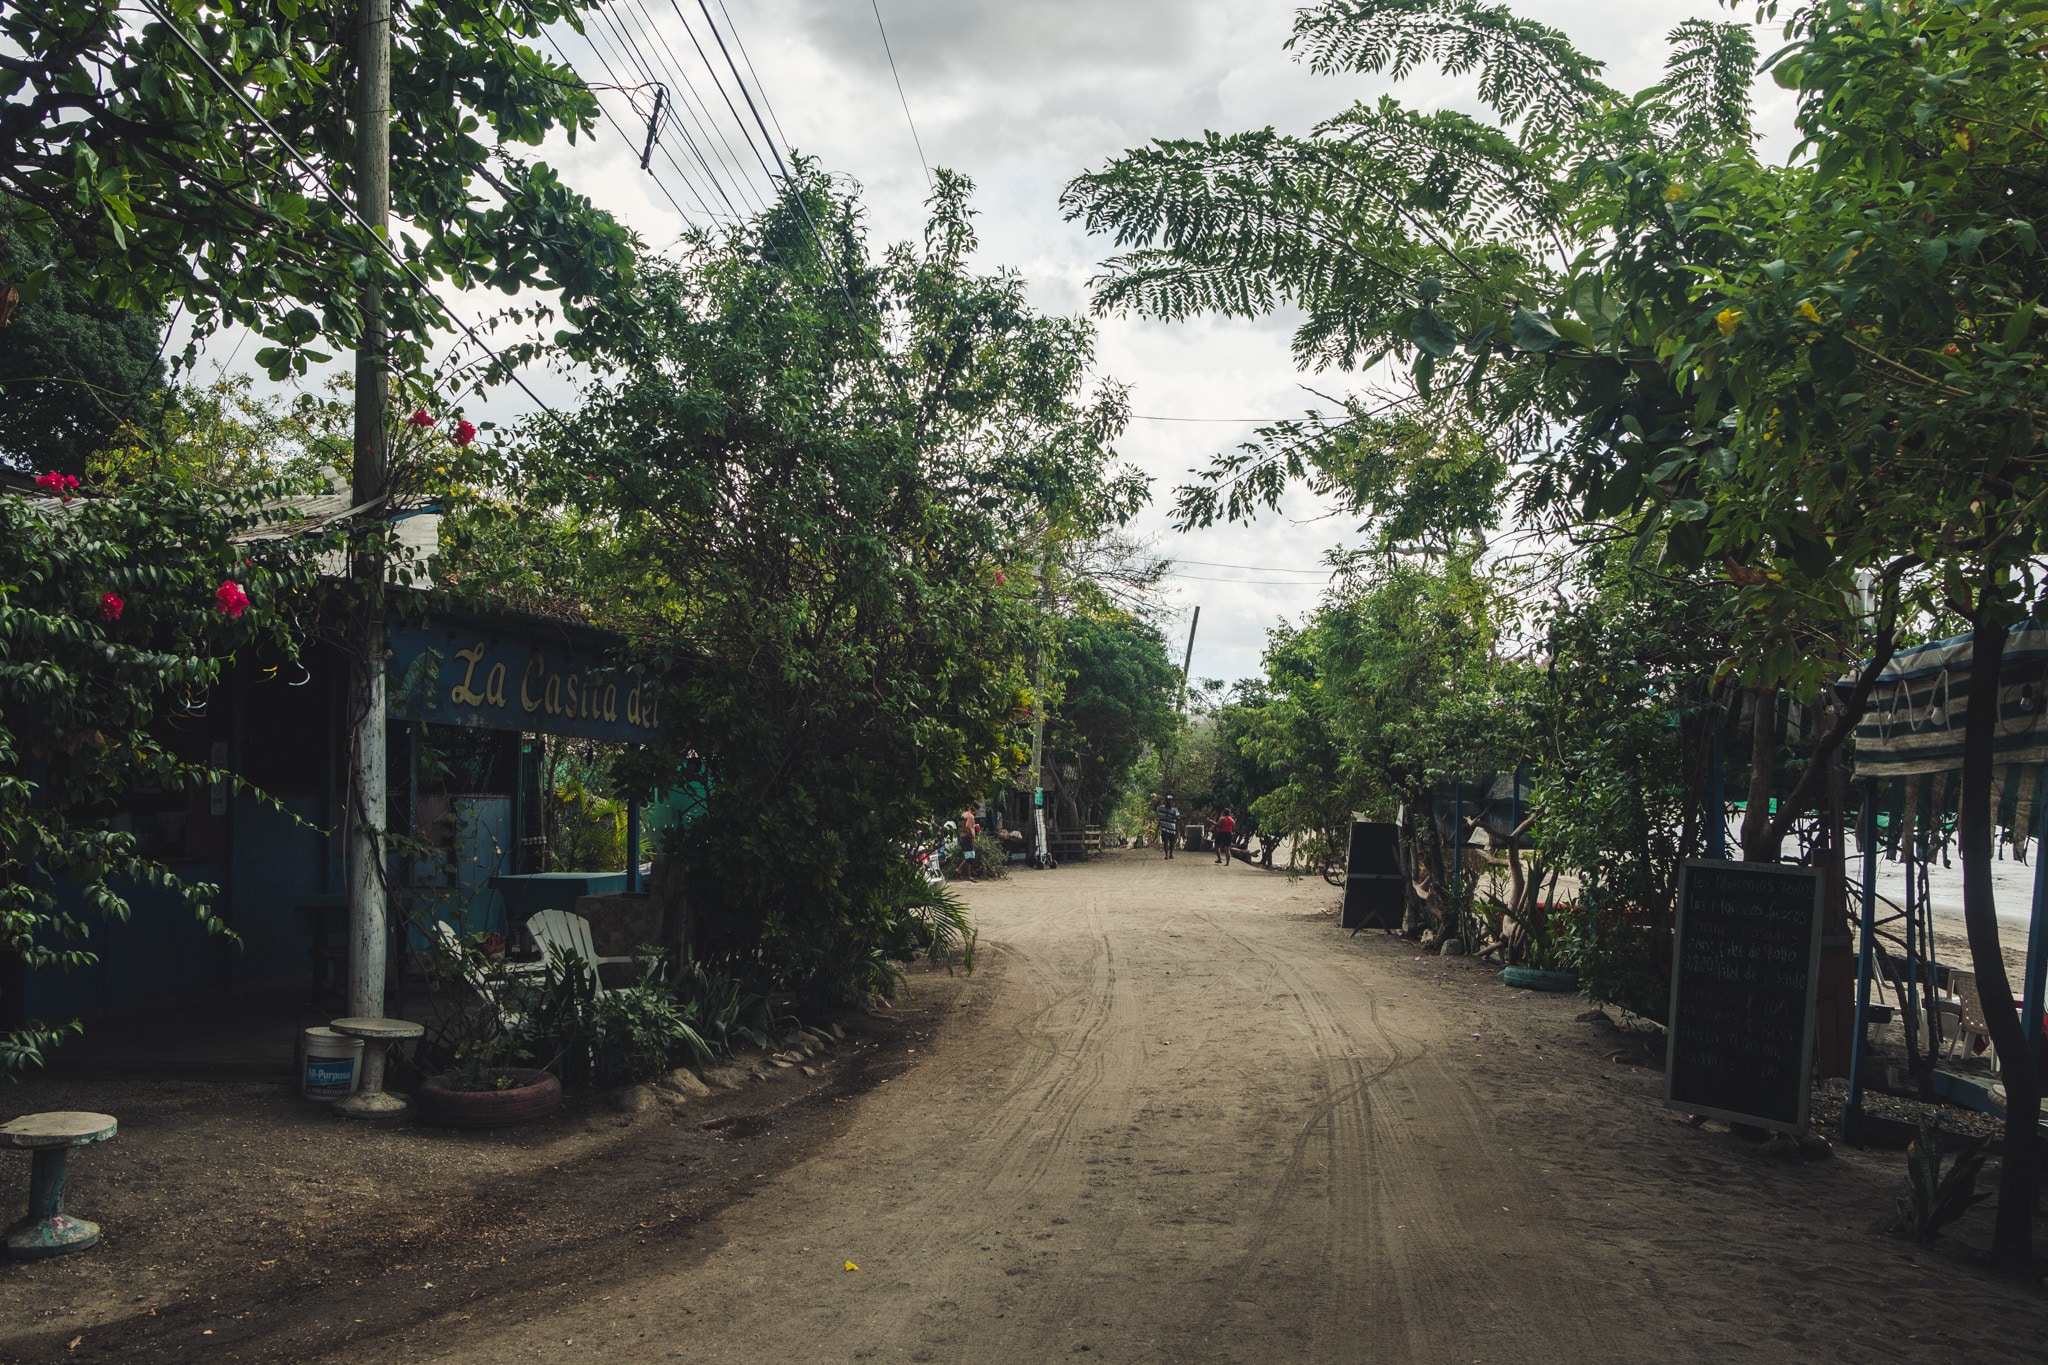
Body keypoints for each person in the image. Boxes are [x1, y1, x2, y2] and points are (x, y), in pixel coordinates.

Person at [1154, 794, 1181, 859]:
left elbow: (1178, 818)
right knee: (1165, 841)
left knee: (1172, 843)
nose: (1169, 802)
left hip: (1172, 829)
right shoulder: (1161, 808)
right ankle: (1166, 855)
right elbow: (1155, 809)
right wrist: (1157, 803)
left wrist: (1171, 817)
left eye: (1170, 801)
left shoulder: (1175, 810)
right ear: (1166, 801)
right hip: (1164, 829)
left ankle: (1171, 853)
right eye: (1168, 801)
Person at [958, 807, 981, 881]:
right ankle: (959, 869)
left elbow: (963, 825)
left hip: (962, 837)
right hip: (967, 838)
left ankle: (968, 875)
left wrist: (974, 826)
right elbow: (967, 826)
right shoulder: (971, 816)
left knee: (968, 856)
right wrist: (972, 836)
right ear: (975, 809)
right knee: (971, 856)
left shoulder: (964, 815)